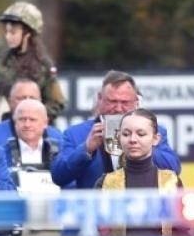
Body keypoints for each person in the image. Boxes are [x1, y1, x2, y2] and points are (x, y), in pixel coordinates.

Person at [52, 70, 180, 190]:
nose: (118, 109)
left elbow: (174, 170)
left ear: (136, 102)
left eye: (125, 102)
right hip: (94, 207)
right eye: (112, 101)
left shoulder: (152, 130)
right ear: (100, 99)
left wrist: (145, 146)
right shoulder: (76, 134)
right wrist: (86, 149)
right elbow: (59, 177)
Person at [0, 1, 65, 118]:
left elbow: (57, 103)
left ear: (28, 33)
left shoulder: (44, 66)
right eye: (6, 32)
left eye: (13, 32)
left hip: (33, 127)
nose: (8, 37)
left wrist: (31, 113)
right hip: (1, 126)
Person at [100, 109, 181, 190]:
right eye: (126, 134)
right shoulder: (105, 183)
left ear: (156, 139)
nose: (132, 139)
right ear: (119, 137)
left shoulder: (172, 181)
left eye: (141, 134)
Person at [0, 77, 62, 151]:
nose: (27, 101)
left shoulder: (56, 137)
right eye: (21, 98)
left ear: (40, 101)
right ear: (9, 102)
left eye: (32, 98)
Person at [1, 98, 63, 189]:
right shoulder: (2, 154)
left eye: (32, 120)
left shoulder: (61, 150)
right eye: (22, 119)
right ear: (15, 123)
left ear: (45, 123)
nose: (27, 124)